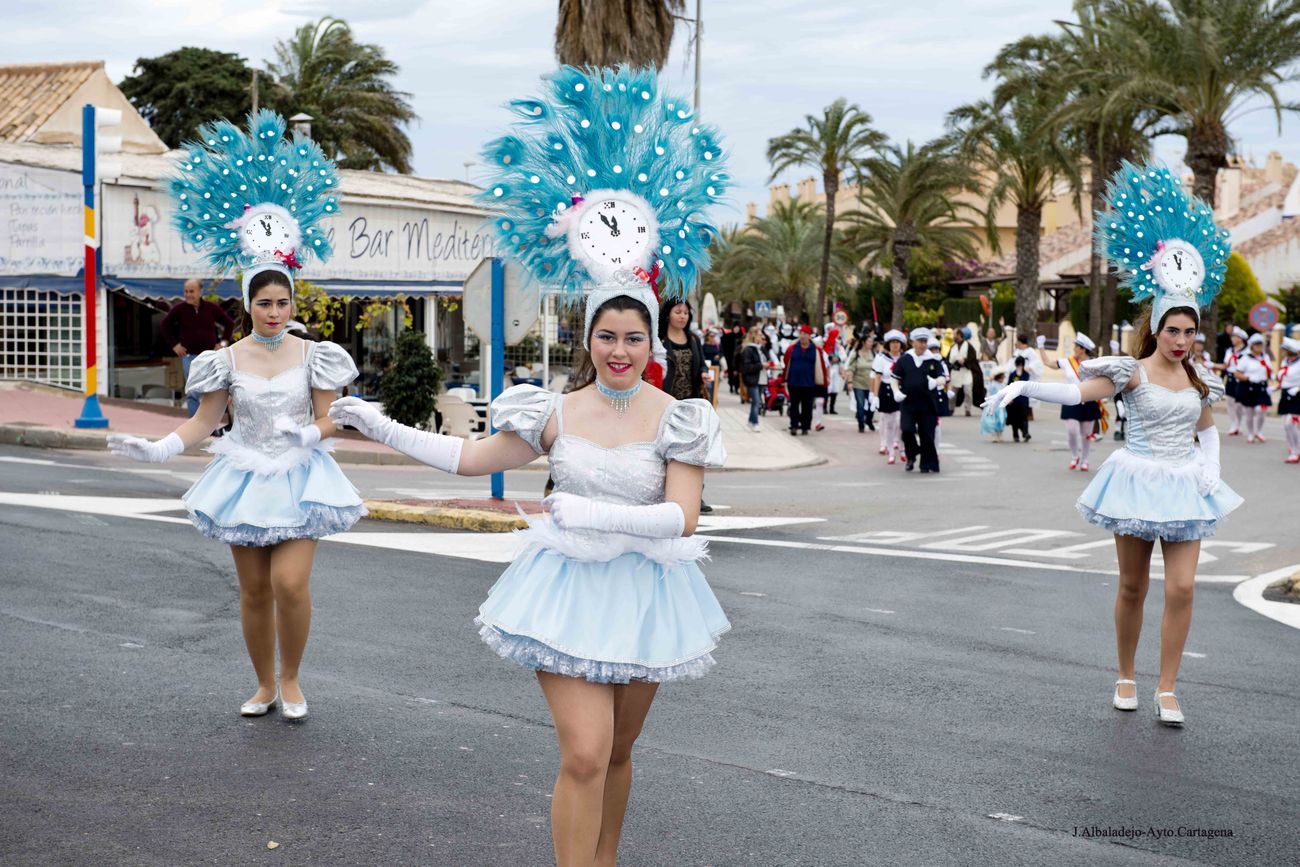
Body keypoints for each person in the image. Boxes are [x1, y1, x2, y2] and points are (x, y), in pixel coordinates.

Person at [340, 65, 731, 864]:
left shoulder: (679, 417)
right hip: (565, 591)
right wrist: (376, 423)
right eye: (607, 335)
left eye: (634, 337)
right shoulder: (548, 408)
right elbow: (465, 457)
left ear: (652, 342)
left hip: (650, 591)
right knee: (584, 750)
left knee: (619, 751)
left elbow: (683, 516)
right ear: (587, 337)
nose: (620, 350)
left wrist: (593, 513)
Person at [107, 112, 362, 721]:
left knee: (290, 584)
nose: (274, 311)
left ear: (293, 302)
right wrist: (162, 448)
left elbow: (333, 419)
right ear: (245, 305)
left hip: (301, 476)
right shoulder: (221, 359)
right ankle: (263, 684)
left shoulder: (315, 356)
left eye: (282, 302)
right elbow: (205, 422)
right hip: (244, 475)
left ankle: (294, 679)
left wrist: (310, 431)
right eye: (263, 303)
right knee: (252, 590)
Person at [985, 159, 1242, 726]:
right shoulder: (1131, 370)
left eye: (1190, 331)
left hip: (1184, 487)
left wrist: (1211, 466)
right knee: (1133, 586)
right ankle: (1127, 673)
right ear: (1156, 328)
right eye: (1172, 330)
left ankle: (1167, 687)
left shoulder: (1199, 379)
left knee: (1183, 588)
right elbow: (1079, 392)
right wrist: (1025, 384)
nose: (1182, 340)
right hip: (1136, 478)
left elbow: (1206, 428)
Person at [160, 278, 235, 416]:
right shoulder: (179, 309)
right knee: (193, 392)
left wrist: (223, 343)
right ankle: (194, 425)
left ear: (200, 292)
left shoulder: (211, 308)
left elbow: (229, 323)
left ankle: (212, 424)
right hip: (190, 357)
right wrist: (174, 345)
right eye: (186, 291)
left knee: (213, 390)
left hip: (211, 357)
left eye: (191, 291)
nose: (188, 294)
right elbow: (165, 325)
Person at [891, 327, 946, 472]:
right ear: (912, 342)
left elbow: (942, 377)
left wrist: (935, 382)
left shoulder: (932, 360)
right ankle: (912, 454)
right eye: (920, 341)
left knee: (927, 434)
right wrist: (896, 391)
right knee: (907, 430)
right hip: (908, 404)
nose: (923, 344)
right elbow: (894, 378)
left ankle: (927, 464)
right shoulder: (905, 360)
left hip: (928, 404)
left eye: (925, 341)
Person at [1055, 333, 1105, 471]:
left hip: (1089, 400)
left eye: (1076, 346)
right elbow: (1049, 363)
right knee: (1072, 430)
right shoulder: (1068, 361)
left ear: (1082, 349)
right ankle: (1074, 456)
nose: (1074, 349)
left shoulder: (1095, 363)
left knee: (1086, 434)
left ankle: (1085, 460)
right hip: (1071, 399)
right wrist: (1041, 348)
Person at [783, 325, 826, 436]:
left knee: (807, 407)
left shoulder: (815, 350)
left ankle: (805, 426)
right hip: (793, 382)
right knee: (794, 406)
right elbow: (785, 359)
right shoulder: (793, 347)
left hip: (809, 383)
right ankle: (794, 425)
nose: (802, 336)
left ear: (809, 336)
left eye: (805, 334)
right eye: (801, 333)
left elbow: (821, 364)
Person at [872, 330, 905, 464]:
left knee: (900, 422)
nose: (895, 345)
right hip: (886, 391)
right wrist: (875, 396)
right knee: (889, 423)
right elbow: (878, 377)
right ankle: (891, 451)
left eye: (897, 342)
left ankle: (902, 448)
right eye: (892, 342)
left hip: (901, 391)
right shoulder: (881, 358)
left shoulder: (905, 358)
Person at [1234, 333, 1273, 443]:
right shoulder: (1245, 358)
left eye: (1260, 345)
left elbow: (1269, 371)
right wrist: (1248, 378)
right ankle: (1251, 433)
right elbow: (1237, 373)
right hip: (1248, 387)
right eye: (1256, 345)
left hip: (1261, 388)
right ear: (1251, 346)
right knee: (1249, 413)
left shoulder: (1265, 357)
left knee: (1260, 410)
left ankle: (1259, 431)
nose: (1259, 347)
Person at [1218, 326, 1248, 435]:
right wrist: (1213, 365)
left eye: (1235, 337)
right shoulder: (1229, 351)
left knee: (1239, 404)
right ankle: (1233, 424)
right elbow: (1226, 365)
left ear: (1241, 338)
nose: (1232, 339)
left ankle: (1238, 424)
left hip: (1240, 379)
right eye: (1232, 337)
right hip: (1230, 378)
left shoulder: (1247, 351)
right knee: (1230, 402)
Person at [947, 327, 984, 416]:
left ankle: (968, 409)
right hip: (955, 373)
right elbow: (948, 359)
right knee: (953, 393)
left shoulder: (968, 346)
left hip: (966, 373)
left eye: (955, 335)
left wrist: (965, 361)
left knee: (968, 392)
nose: (954, 337)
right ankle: (950, 409)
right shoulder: (953, 347)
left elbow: (973, 358)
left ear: (959, 335)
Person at [845, 335, 876, 433]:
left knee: (872, 405)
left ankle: (869, 420)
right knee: (860, 405)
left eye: (871, 342)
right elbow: (850, 369)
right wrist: (850, 382)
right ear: (863, 342)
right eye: (869, 341)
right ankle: (861, 425)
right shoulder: (856, 354)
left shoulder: (874, 354)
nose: (871, 343)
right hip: (858, 383)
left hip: (871, 384)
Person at [739, 326, 766, 431]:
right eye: (759, 335)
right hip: (752, 379)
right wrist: (761, 365)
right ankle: (755, 423)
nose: (761, 337)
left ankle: (750, 421)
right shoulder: (748, 349)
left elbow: (766, 358)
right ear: (754, 336)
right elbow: (747, 367)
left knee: (757, 401)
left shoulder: (759, 349)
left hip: (760, 378)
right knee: (756, 401)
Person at [1278, 337, 1300, 463]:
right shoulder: (1285, 362)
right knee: (1287, 426)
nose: (1283, 352)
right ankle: (1293, 448)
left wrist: (1297, 388)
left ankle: (1296, 451)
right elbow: (1284, 379)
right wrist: (1275, 387)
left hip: (1297, 395)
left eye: (1284, 350)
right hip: (1285, 394)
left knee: (1290, 424)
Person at [1004, 356, 1033, 443]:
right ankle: (1015, 435)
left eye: (1021, 365)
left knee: (1024, 418)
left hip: (1023, 400)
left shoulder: (1026, 374)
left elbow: (1024, 384)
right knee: (1014, 419)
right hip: (1014, 400)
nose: (1019, 366)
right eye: (1018, 364)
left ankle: (1025, 433)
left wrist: (1020, 374)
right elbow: (1009, 385)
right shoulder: (1012, 374)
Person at [981, 371, 1007, 441]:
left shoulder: (1003, 385)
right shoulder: (993, 384)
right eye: (1002, 377)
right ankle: (994, 435)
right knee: (993, 420)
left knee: (1001, 420)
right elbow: (988, 390)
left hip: (1001, 406)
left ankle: (1000, 434)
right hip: (994, 405)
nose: (1003, 379)